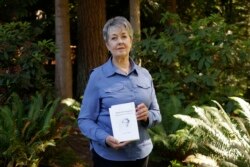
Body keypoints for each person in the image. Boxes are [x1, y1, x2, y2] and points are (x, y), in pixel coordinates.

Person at [78, 16, 162, 167]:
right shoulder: (97, 76)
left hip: (141, 154)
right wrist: (104, 138)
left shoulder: (145, 75)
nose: (120, 42)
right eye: (114, 38)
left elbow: (156, 113)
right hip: (109, 157)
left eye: (124, 36)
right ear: (107, 45)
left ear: (131, 41)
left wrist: (147, 116)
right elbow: (84, 120)